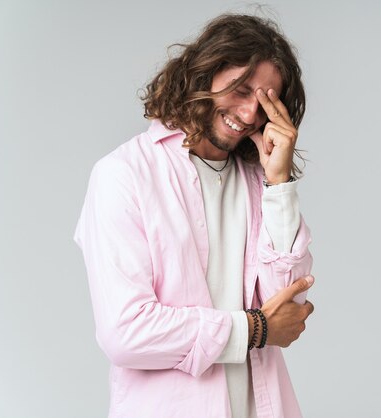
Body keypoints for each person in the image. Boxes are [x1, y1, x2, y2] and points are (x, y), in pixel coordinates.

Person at [74, 13, 315, 418]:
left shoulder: (261, 183)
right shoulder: (125, 174)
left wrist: (279, 184)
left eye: (266, 102)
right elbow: (126, 333)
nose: (250, 113)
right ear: (205, 71)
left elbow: (287, 309)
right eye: (241, 90)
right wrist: (252, 328)